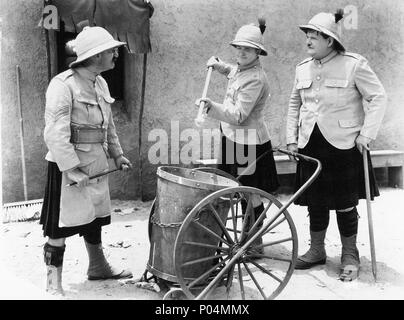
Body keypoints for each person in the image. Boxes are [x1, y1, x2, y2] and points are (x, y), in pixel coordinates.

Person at [286, 9, 387, 281]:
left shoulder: (354, 64)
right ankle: (316, 250)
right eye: (307, 36)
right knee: (315, 202)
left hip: (343, 146)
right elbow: (294, 104)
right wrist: (291, 139)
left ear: (329, 40)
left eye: (313, 37)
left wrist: (367, 134)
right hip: (310, 144)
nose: (307, 41)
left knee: (344, 203)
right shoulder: (302, 68)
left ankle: (350, 254)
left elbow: (378, 97)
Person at [40, 26, 134, 295]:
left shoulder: (101, 83)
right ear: (95, 56)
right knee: (59, 226)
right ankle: (52, 284)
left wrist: (117, 153)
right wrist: (71, 169)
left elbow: (109, 125)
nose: (116, 54)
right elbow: (55, 134)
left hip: (96, 162)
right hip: (66, 165)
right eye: (110, 50)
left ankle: (98, 266)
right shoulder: (63, 85)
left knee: (94, 217)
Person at [196, 19, 280, 255]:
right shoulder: (243, 70)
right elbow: (233, 72)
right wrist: (220, 65)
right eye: (239, 48)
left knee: (251, 194)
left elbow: (240, 115)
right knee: (239, 189)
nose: (241, 53)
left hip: (250, 144)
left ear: (257, 53)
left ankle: (254, 242)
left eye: (248, 49)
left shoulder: (256, 78)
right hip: (233, 139)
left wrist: (210, 106)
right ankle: (244, 238)